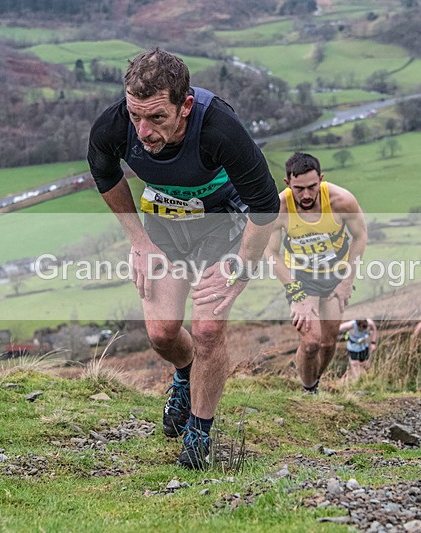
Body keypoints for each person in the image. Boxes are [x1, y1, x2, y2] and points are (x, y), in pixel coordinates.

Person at [87, 49, 280, 469]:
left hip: (221, 222)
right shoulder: (115, 124)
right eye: (136, 115)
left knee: (208, 328)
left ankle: (198, 434)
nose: (143, 131)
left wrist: (241, 269)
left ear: (185, 105)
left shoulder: (219, 128)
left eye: (157, 118)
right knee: (161, 333)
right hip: (163, 223)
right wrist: (138, 242)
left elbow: (265, 203)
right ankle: (186, 369)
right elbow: (104, 173)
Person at [264, 152, 368, 394]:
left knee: (328, 343)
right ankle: (309, 390)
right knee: (311, 343)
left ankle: (313, 379)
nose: (307, 195)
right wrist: (295, 292)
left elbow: (360, 236)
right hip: (302, 279)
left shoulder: (341, 200)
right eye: (299, 189)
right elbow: (271, 253)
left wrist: (346, 281)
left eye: (312, 186)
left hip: (335, 276)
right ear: (288, 183)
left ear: (321, 179)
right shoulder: (278, 208)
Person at [339, 319, 378, 383]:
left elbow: (374, 329)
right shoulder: (350, 325)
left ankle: (369, 379)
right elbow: (338, 328)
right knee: (355, 364)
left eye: (364, 328)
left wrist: (373, 342)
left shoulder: (369, 323)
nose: (362, 330)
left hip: (364, 346)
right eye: (361, 328)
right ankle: (357, 381)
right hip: (353, 347)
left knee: (366, 364)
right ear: (358, 325)